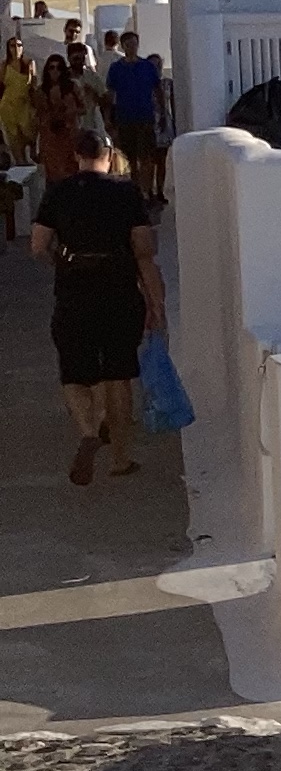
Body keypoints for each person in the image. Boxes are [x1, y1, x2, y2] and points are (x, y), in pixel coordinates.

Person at [37, 117, 148, 491]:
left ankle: (87, 431)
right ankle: (120, 459)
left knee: (75, 372)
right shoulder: (127, 192)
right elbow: (144, 247)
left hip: (73, 289)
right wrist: (153, 294)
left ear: (76, 157)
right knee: (117, 375)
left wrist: (63, 262)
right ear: (110, 156)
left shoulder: (59, 192)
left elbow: (38, 245)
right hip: (117, 286)